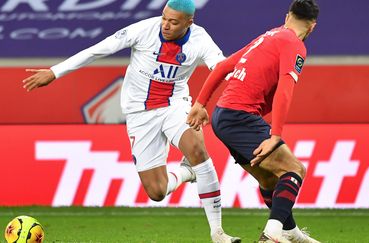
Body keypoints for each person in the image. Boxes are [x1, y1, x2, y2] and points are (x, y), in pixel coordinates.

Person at [22, 0, 240, 242]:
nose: (166, 25)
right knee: (157, 191)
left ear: (189, 22)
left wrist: (223, 90)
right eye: (164, 18)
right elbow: (98, 49)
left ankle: (217, 232)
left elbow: (220, 68)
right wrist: (55, 71)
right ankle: (187, 173)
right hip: (139, 114)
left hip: (174, 105)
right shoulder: (143, 30)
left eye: (174, 22)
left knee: (197, 149)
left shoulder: (200, 39)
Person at [186, 0, 320, 242]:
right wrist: (275, 135)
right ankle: (272, 234)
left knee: (268, 178)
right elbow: (285, 91)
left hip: (222, 117)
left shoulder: (268, 36)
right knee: (294, 169)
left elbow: (224, 66)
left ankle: (290, 232)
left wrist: (200, 103)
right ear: (312, 27)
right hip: (240, 116)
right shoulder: (295, 45)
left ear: (287, 16)